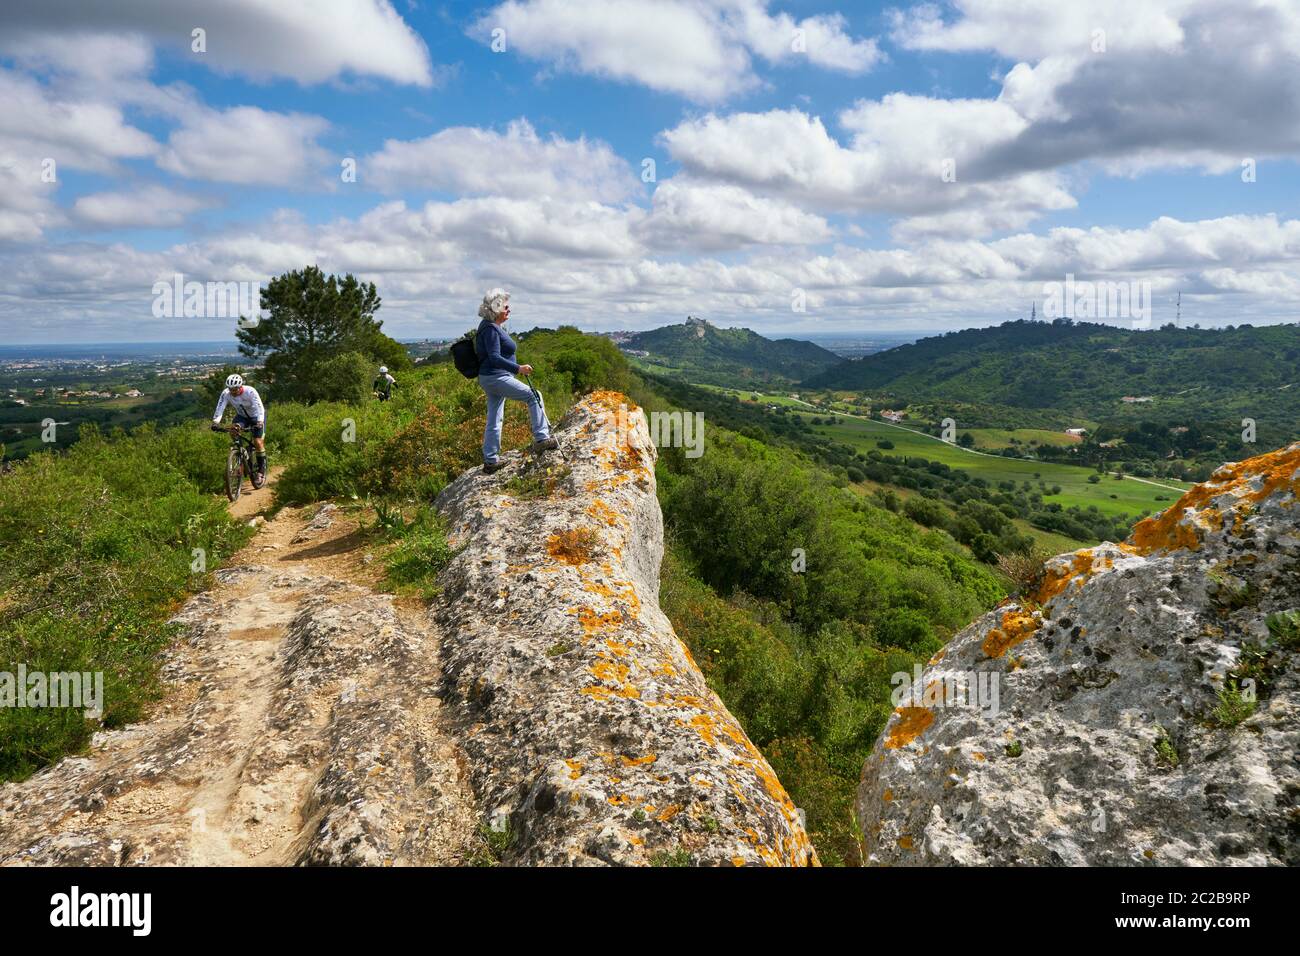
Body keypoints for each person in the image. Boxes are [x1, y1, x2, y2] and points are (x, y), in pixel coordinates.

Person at [474, 288, 556, 473]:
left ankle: (491, 460)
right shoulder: (491, 329)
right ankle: (542, 439)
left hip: (491, 377)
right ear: (495, 308)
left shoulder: (490, 327)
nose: (508, 308)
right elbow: (494, 357)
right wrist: (518, 368)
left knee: (495, 416)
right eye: (505, 305)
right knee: (534, 395)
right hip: (496, 376)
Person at [211, 373, 266, 481]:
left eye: (235, 389)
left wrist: (260, 421)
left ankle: (261, 470)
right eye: (230, 389)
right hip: (242, 417)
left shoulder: (250, 391)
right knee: (233, 430)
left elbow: (260, 407)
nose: (233, 392)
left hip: (256, 417)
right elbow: (220, 407)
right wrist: (215, 422)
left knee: (258, 442)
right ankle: (241, 453)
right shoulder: (226, 393)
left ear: (240, 386)